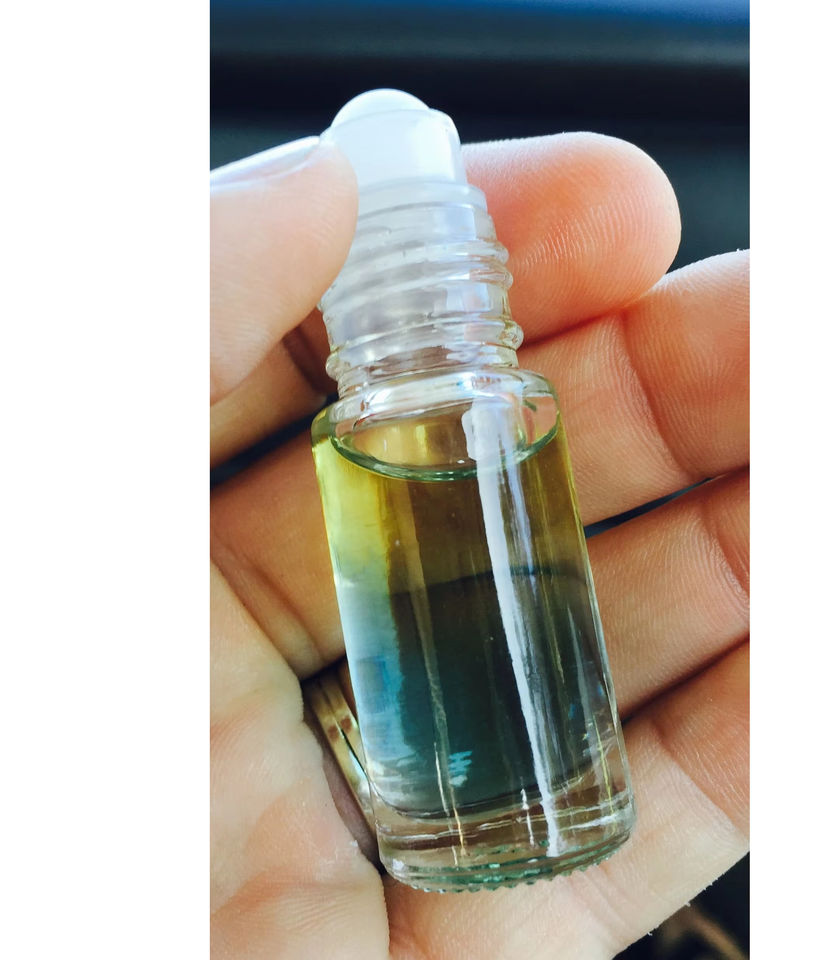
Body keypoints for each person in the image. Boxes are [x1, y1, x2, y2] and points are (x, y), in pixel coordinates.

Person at [210, 132, 749, 959]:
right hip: (415, 838)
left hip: (563, 811)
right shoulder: (356, 431)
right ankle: (458, 830)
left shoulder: (512, 401)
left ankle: (546, 811)